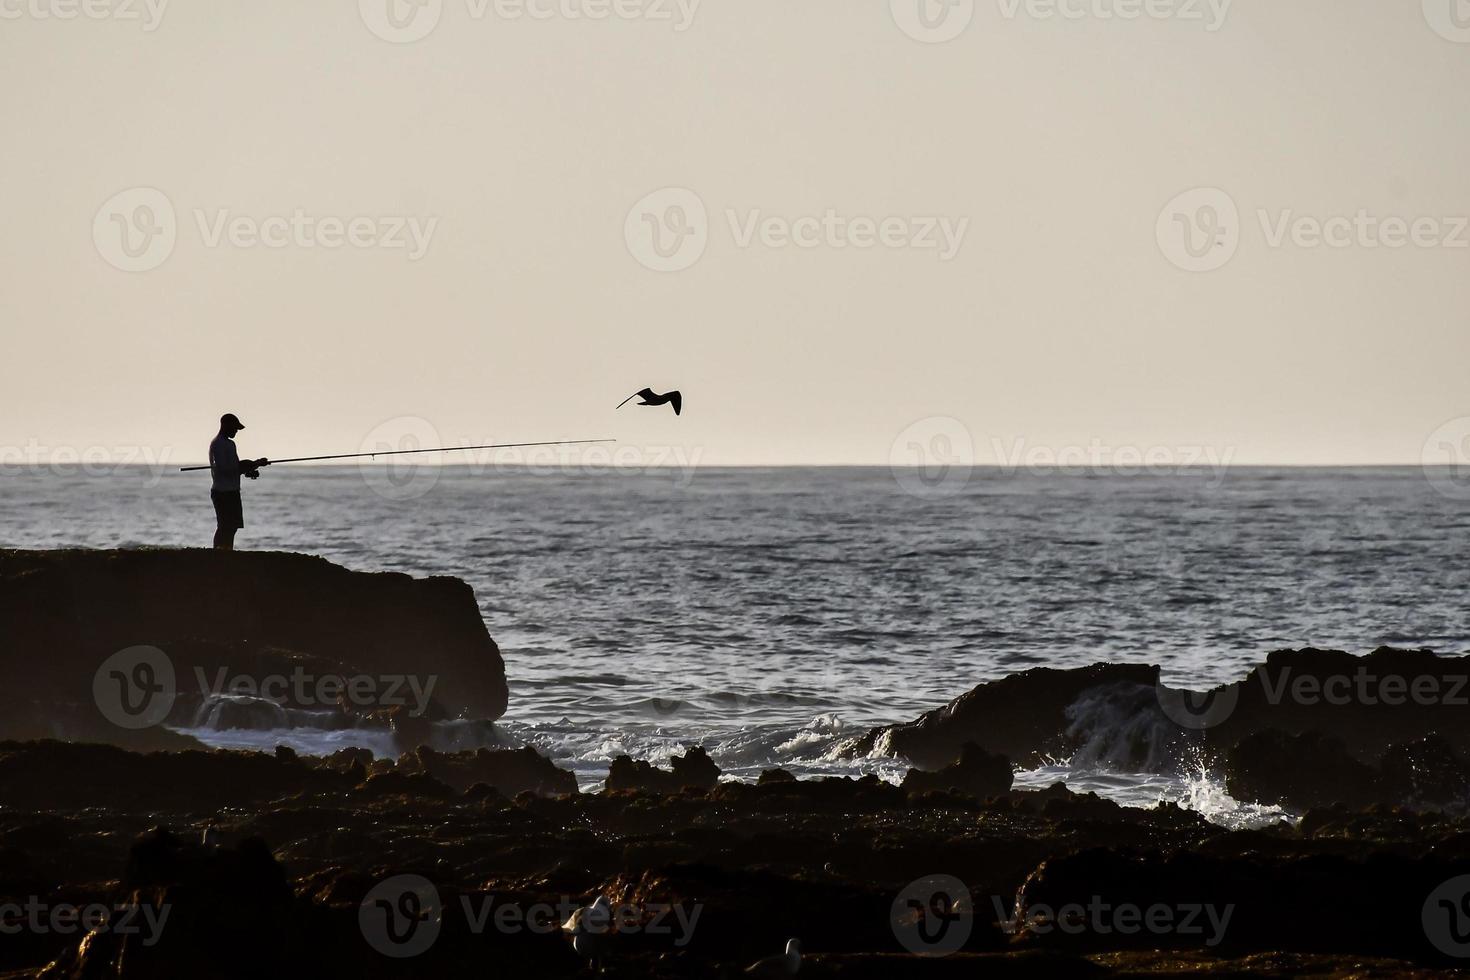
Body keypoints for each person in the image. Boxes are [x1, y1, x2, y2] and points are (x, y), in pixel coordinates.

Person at [210, 413, 269, 551]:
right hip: (222, 491)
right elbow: (226, 469)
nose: (236, 431)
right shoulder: (218, 444)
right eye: (234, 428)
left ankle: (226, 551)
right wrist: (255, 464)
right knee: (225, 526)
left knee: (232, 526)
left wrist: (250, 469)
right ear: (225, 425)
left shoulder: (230, 444)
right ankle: (218, 552)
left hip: (232, 491)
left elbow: (234, 467)